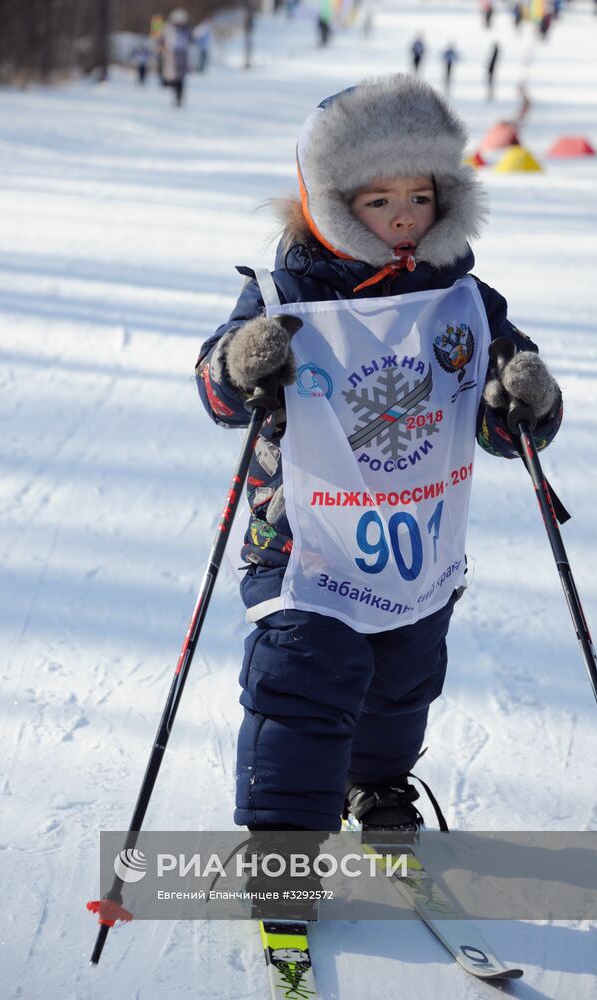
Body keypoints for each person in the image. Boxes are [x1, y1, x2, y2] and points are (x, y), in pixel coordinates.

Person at [194, 75, 562, 833]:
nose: (403, 216)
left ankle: (376, 779)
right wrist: (241, 365)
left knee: (403, 676)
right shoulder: (286, 295)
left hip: (415, 538)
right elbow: (219, 394)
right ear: (330, 203)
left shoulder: (462, 300)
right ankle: (285, 838)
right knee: (304, 676)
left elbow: (498, 420)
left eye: (419, 197)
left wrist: (524, 400)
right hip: (303, 536)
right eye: (378, 199)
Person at [160, 7, 190, 106]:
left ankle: (178, 97)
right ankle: (173, 92)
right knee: (172, 76)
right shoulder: (168, 27)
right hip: (171, 54)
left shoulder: (186, 29)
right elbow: (162, 38)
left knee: (180, 78)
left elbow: (189, 40)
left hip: (182, 54)